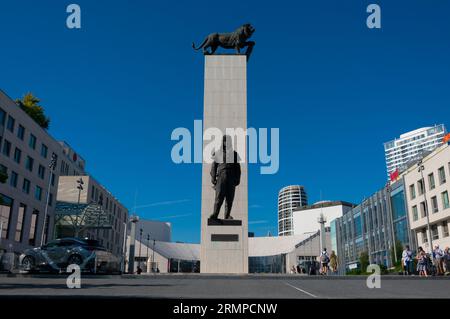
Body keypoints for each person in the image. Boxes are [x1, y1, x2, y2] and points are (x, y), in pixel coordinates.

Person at [209, 135, 241, 220]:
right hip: (221, 176)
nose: (227, 143)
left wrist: (237, 179)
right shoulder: (218, 153)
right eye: (225, 141)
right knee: (219, 197)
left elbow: (238, 167)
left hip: (231, 177)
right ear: (223, 142)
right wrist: (213, 177)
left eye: (228, 141)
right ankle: (215, 214)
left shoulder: (234, 154)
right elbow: (214, 166)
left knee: (229, 198)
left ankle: (227, 215)